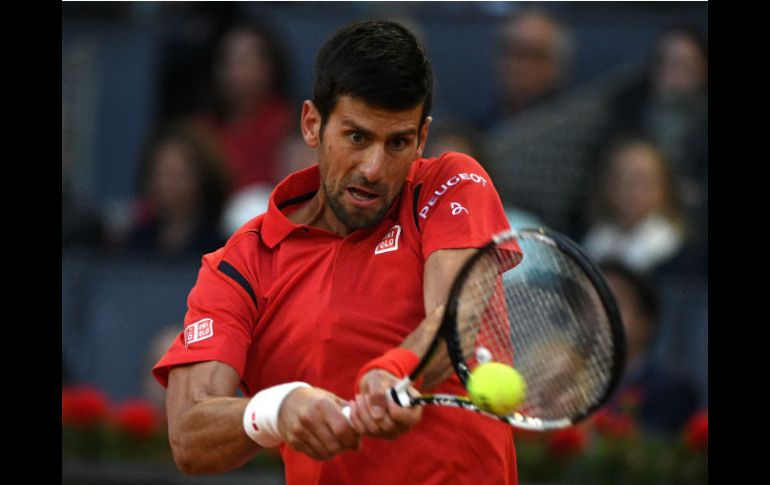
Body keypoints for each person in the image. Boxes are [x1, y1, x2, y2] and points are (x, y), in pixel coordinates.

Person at [153, 20, 521, 485]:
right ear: (312, 124)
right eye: (357, 137)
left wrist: (396, 374)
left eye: (398, 143)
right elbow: (188, 435)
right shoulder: (241, 265)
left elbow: (457, 320)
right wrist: (278, 409)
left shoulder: (449, 183)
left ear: (422, 138)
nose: (374, 168)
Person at [598, 260, 699, 437]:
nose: (598, 313)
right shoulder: (562, 388)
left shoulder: (673, 392)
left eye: (613, 302)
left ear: (645, 322)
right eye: (588, 304)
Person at [193, 21, 294, 192]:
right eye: (228, 61)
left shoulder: (291, 125)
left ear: (271, 67)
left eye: (245, 60)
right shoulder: (202, 131)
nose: (235, 71)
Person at [580, 136, 686, 275]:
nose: (630, 190)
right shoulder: (590, 241)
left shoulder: (679, 253)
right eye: (620, 179)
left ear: (664, 188)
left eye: (642, 180)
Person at [124, 122, 230, 257]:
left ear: (203, 178)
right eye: (159, 173)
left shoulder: (220, 249)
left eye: (177, 174)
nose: (166, 184)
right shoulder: (136, 243)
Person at [488, 9, 573, 127]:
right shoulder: (477, 132)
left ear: (557, 66)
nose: (518, 65)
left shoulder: (572, 129)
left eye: (532, 55)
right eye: (512, 53)